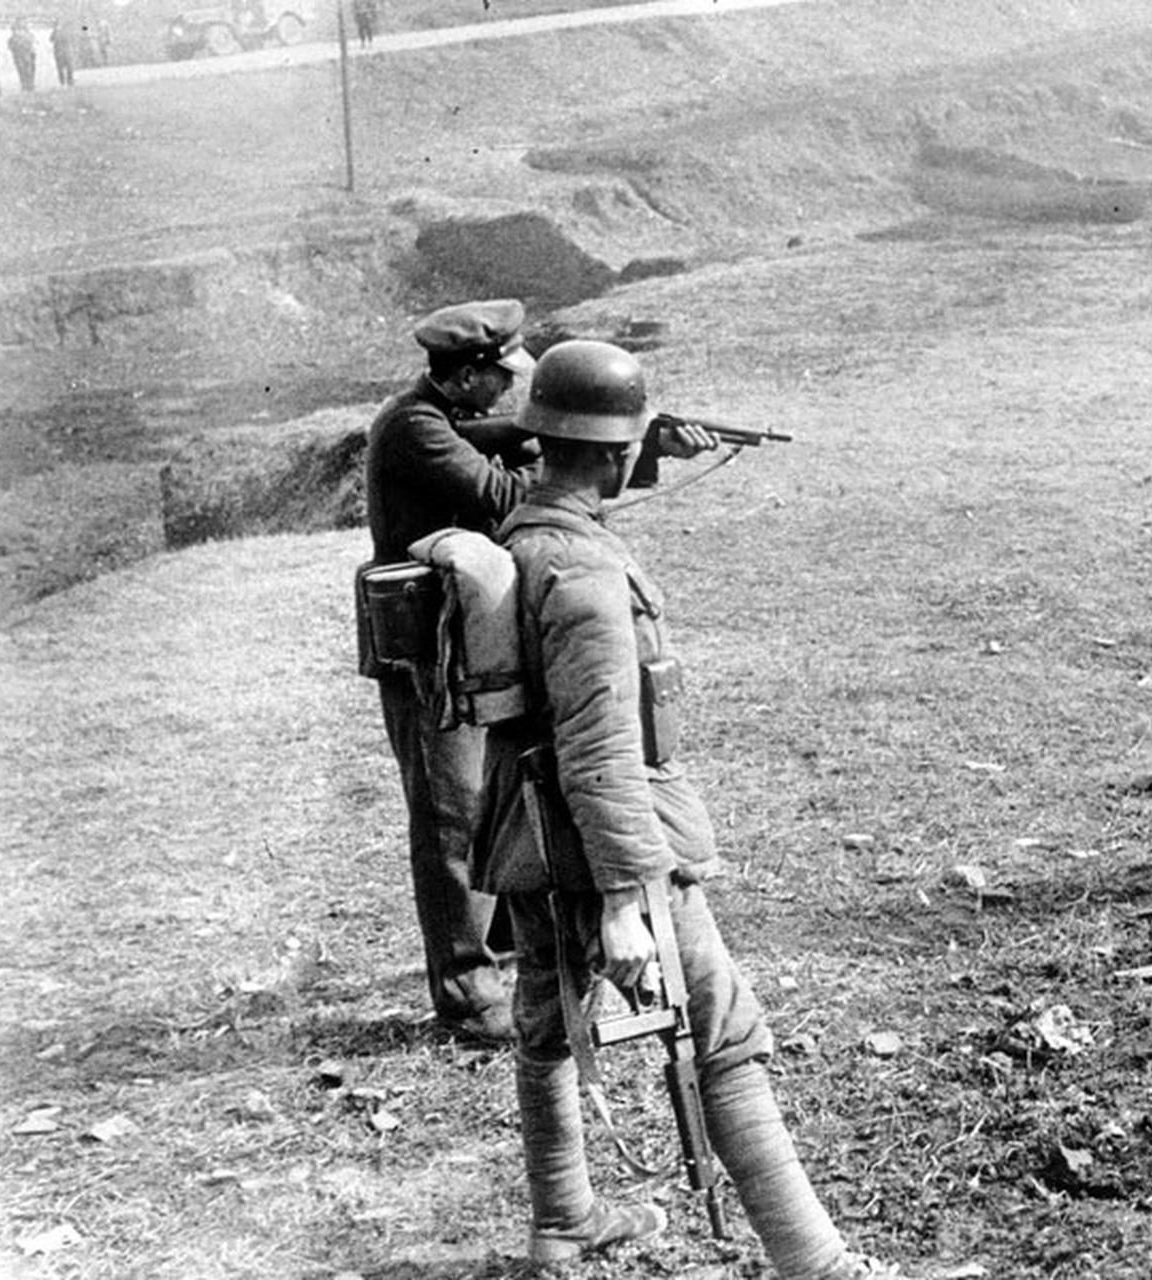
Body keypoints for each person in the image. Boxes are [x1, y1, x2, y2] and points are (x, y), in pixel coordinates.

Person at [473, 339, 902, 1275]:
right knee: (724, 1028)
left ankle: (563, 1220)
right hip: (603, 844)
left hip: (533, 841)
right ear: (620, 455)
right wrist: (631, 897)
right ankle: (819, 1267)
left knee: (546, 1017)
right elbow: (599, 746)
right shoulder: (583, 575)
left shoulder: (530, 537)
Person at [365, 299, 540, 1041]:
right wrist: (558, 449)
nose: (508, 392)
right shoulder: (414, 427)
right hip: (424, 649)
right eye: (499, 380)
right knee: (451, 815)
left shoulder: (443, 418)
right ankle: (467, 996)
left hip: (466, 634)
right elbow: (503, 503)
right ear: (466, 376)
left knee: (493, 792)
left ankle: (497, 955)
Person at [8, 19, 36, 92]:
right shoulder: (13, 38)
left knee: (28, 71)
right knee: (23, 72)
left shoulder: (28, 36)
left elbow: (32, 47)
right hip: (20, 57)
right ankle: (26, 86)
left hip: (26, 56)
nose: (18, 31)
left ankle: (29, 86)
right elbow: (11, 47)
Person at [48, 17, 72, 88]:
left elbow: (68, 39)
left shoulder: (64, 31)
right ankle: (63, 82)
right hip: (60, 52)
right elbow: (51, 39)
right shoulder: (55, 32)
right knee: (61, 68)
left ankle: (69, 81)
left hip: (64, 51)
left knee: (68, 67)